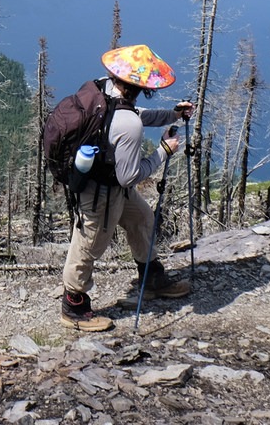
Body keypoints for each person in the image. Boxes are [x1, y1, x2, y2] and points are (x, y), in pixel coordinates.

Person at [60, 42, 194, 332]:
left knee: (141, 218)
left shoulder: (103, 89)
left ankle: (152, 279)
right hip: (101, 194)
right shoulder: (128, 125)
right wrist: (163, 152)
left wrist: (172, 114)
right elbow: (130, 177)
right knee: (87, 245)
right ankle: (74, 306)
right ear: (141, 86)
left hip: (104, 183)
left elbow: (138, 114)